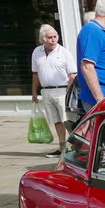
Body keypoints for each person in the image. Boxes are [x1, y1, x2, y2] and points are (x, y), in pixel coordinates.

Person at [31, 24, 77, 157]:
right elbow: (35, 73)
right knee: (55, 120)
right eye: (49, 37)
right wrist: (34, 91)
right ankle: (62, 147)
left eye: (55, 37)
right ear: (43, 39)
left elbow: (72, 75)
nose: (53, 40)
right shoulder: (37, 52)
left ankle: (75, 147)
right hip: (45, 91)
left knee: (66, 120)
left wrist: (70, 93)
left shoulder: (64, 52)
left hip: (62, 90)